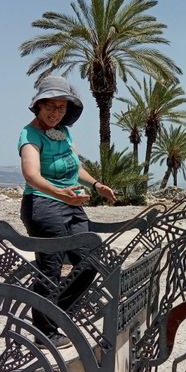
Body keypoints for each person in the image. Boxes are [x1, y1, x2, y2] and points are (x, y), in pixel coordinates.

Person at [18, 75, 116, 348]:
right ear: (38, 105)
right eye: (50, 105)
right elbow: (31, 175)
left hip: (71, 204)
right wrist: (60, 194)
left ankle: (56, 313)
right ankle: (43, 332)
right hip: (43, 204)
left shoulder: (65, 133)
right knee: (51, 268)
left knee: (90, 262)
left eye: (61, 107)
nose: (55, 112)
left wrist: (96, 185)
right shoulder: (29, 134)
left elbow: (75, 167)